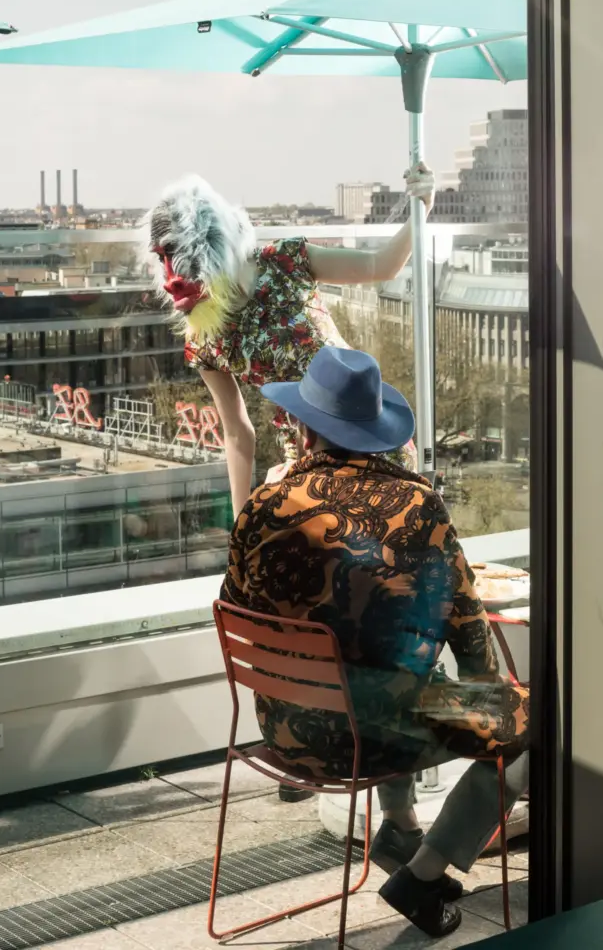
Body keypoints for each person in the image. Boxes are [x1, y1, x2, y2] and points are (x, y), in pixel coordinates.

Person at [220, 346, 529, 939]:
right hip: (377, 733)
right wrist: (490, 699)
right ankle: (424, 873)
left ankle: (402, 828)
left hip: (286, 731)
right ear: (377, 434)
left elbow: (234, 604)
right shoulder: (416, 505)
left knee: (389, 676)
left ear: (304, 429)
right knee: (540, 721)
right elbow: (468, 630)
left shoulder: (262, 506)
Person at [139, 168, 435, 519]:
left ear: (210, 238)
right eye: (162, 257)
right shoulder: (205, 338)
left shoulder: (285, 261)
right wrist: (242, 522)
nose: (170, 275)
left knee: (395, 541)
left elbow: (380, 266)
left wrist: (423, 203)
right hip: (309, 461)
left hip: (369, 436)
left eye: (178, 251)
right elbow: (236, 433)